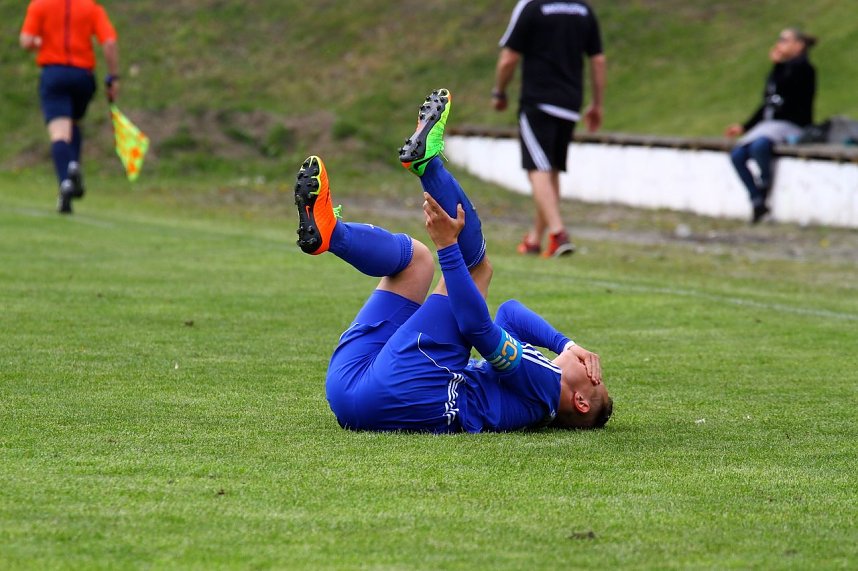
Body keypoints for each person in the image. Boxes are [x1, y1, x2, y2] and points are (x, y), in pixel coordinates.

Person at [295, 89, 612, 433]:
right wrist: (566, 344)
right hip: (350, 396)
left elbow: (478, 327)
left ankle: (427, 164)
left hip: (400, 389)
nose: (592, 365)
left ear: (580, 401)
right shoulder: (531, 390)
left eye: (596, 378)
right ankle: (332, 234)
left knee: (478, 268)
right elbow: (509, 312)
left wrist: (448, 245)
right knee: (415, 261)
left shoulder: (547, 386)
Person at [492, 0, 606, 257]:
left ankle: (558, 233)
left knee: (537, 169)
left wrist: (499, 91)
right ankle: (535, 239)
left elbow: (509, 58)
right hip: (570, 104)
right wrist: (597, 104)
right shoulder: (582, 9)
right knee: (550, 170)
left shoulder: (532, 6)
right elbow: (597, 60)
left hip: (538, 101)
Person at [19, 0, 121, 214]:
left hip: (54, 73)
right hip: (82, 77)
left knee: (59, 132)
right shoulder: (91, 7)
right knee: (74, 123)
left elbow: (26, 40)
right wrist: (113, 78)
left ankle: (65, 181)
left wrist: (43, 42)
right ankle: (73, 164)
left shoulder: (40, 5)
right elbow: (109, 42)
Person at [725, 28, 817, 224]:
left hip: (791, 124)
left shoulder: (804, 69)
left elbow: (787, 90)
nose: (779, 44)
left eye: (784, 40)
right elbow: (768, 103)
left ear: (798, 45)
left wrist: (778, 66)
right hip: (770, 125)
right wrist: (744, 126)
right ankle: (757, 198)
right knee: (738, 154)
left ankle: (764, 185)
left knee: (760, 146)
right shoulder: (780, 70)